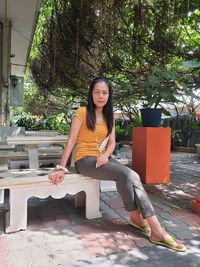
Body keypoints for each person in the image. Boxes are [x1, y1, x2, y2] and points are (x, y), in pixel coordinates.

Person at [49, 77, 186, 252]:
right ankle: (156, 229)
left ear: (109, 95)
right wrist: (61, 168)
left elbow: (112, 142)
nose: (100, 95)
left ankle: (137, 218)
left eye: (104, 92)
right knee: (129, 174)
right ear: (91, 94)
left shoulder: (109, 116)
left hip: (102, 158)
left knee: (128, 176)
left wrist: (106, 155)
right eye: (97, 92)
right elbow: (71, 140)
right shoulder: (82, 112)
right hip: (85, 160)